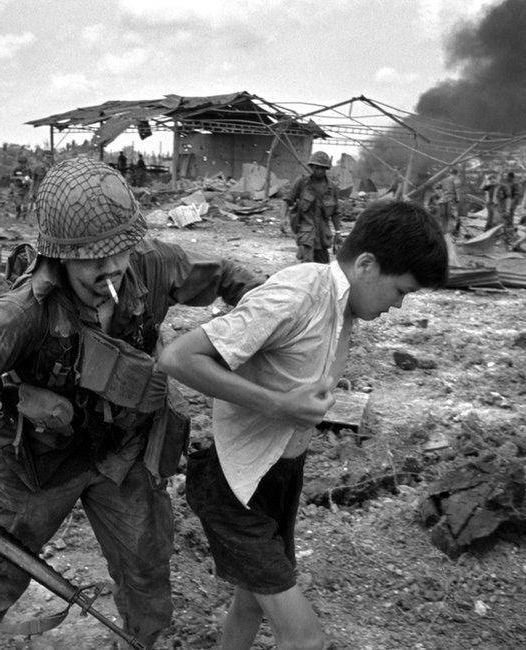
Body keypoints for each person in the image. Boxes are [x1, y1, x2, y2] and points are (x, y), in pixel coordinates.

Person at [0, 157, 262, 650]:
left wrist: (273, 318)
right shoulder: (25, 311)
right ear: (60, 255)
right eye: (91, 257)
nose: (110, 267)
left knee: (146, 569)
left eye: (118, 251)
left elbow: (226, 276)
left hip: (122, 456)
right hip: (37, 465)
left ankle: (140, 643)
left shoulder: (150, 265)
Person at [157, 200, 448, 650]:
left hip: (278, 477)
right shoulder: (297, 295)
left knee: (253, 601)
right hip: (236, 489)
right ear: (366, 265)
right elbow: (178, 357)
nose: (399, 306)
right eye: (401, 291)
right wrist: (276, 404)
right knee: (305, 639)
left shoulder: (341, 305)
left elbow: (292, 367)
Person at [284, 151, 341, 263]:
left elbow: (335, 212)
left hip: (323, 236)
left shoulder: (332, 188)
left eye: (322, 168)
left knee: (323, 269)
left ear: (326, 169)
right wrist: (283, 219)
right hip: (306, 233)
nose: (319, 171)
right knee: (307, 267)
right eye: (316, 167)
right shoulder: (301, 182)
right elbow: (287, 201)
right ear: (312, 167)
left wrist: (338, 233)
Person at [437, 167, 461, 236]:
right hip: (451, 200)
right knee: (452, 216)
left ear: (450, 173)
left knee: (443, 217)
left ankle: (442, 233)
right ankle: (451, 234)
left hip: (442, 200)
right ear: (457, 173)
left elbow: (436, 187)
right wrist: (458, 198)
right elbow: (457, 189)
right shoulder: (456, 178)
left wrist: (441, 195)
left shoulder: (444, 180)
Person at [8, 154, 33, 220]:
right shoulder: (16, 169)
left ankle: (24, 218)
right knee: (18, 204)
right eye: (21, 163)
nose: (22, 164)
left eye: (24, 163)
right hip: (18, 188)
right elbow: (11, 177)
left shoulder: (29, 170)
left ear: (26, 163)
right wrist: (19, 177)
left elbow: (31, 179)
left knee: (25, 205)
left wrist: (29, 181)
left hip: (26, 189)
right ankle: (18, 212)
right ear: (19, 163)